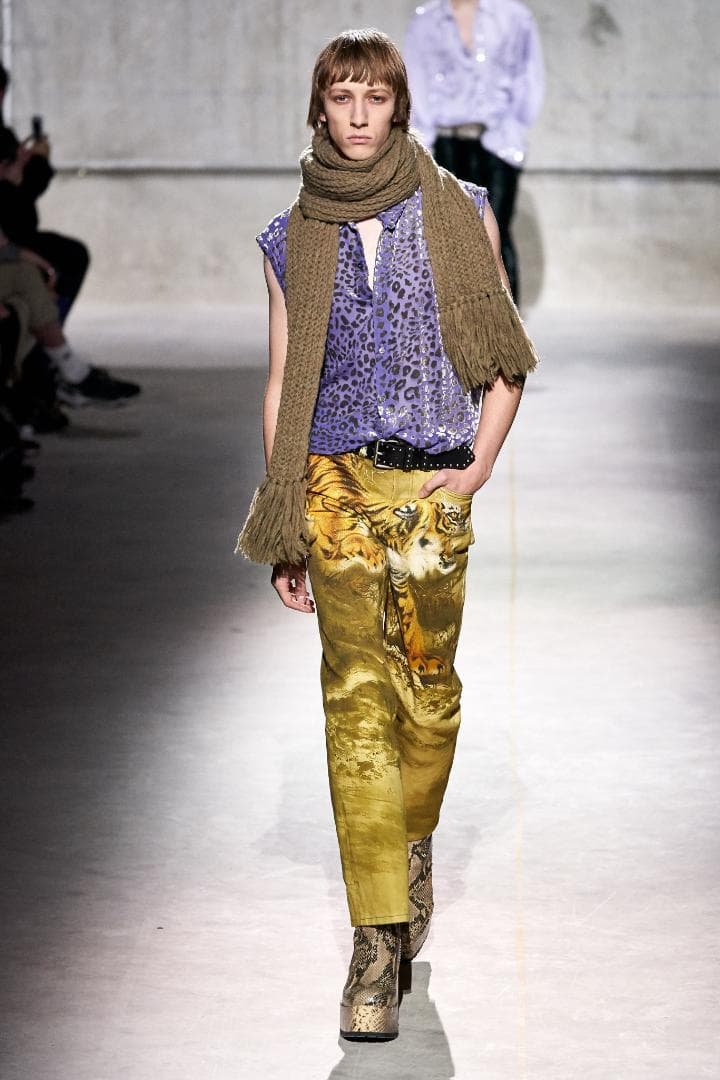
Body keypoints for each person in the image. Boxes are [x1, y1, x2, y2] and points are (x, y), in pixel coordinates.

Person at [236, 28, 537, 1042]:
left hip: (431, 482)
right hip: (332, 484)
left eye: (375, 96)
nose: (359, 115)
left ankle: (412, 845)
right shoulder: (289, 237)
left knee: (428, 695)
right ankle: (376, 937)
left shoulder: (460, 208)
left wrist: (478, 467)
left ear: (398, 106)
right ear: (319, 108)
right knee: (355, 699)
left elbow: (503, 353)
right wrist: (285, 512)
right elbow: (283, 379)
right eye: (342, 97)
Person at [404, 0, 544, 302]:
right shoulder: (425, 20)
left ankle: (507, 326)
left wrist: (513, 133)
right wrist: (423, 147)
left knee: (497, 235)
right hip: (446, 144)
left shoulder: (514, 17)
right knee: (451, 241)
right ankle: (460, 325)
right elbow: (415, 85)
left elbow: (529, 78)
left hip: (499, 142)